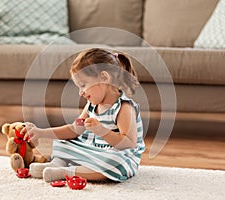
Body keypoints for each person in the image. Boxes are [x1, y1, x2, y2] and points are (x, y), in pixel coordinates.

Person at [21, 48, 145, 182]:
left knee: (114, 163)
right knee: (63, 142)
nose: (81, 92)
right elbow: (74, 129)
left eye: (83, 85)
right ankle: (57, 164)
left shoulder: (124, 107)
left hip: (116, 153)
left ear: (104, 77)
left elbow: (128, 143)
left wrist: (102, 131)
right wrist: (41, 132)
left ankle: (66, 172)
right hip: (93, 149)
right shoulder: (91, 105)